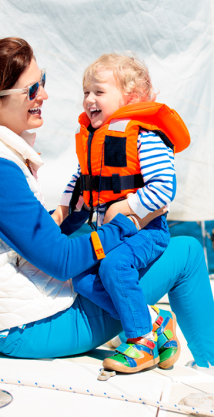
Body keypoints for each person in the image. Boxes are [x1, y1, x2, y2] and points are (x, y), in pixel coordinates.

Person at [0, 37, 214, 406]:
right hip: (30, 328)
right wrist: (127, 221)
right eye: (31, 89)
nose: (44, 94)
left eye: (42, 80)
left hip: (4, 318)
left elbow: (45, 236)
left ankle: (156, 325)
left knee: (101, 262)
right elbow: (61, 260)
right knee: (187, 252)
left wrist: (71, 215)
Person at [53, 53, 190, 373]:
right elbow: (80, 182)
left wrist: (125, 207)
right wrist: (61, 210)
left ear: (130, 97)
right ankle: (156, 321)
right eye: (86, 92)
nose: (89, 99)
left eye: (98, 92)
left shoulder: (145, 136)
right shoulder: (97, 140)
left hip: (146, 232)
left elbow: (163, 190)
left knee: (114, 266)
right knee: (81, 276)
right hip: (108, 233)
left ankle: (141, 340)